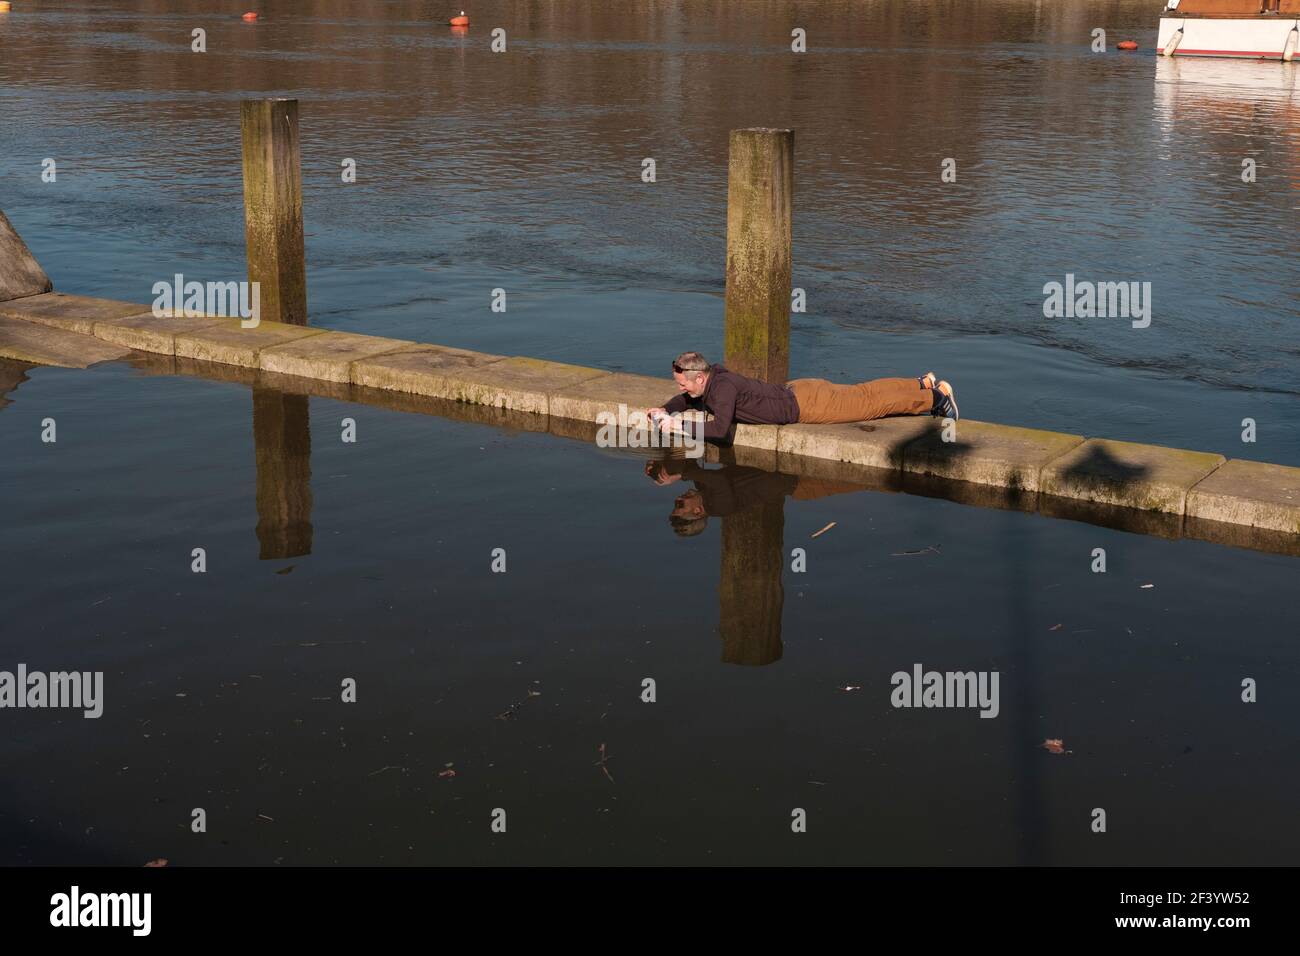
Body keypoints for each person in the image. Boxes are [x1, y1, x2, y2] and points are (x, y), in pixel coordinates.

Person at [646, 352, 958, 445]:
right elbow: (688, 399)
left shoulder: (723, 390)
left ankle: (935, 400)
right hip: (800, 390)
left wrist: (678, 426)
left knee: (870, 404)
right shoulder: (713, 378)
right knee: (863, 393)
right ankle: (920, 383)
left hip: (807, 404)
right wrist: (665, 408)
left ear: (699, 377)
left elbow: (720, 431)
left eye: (684, 384)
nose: (682, 390)